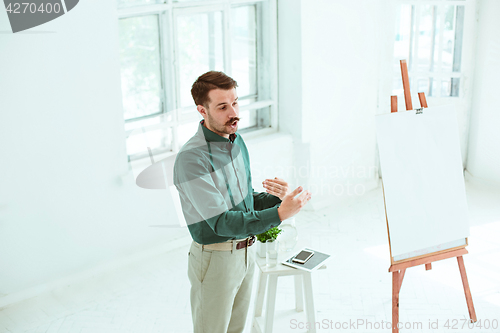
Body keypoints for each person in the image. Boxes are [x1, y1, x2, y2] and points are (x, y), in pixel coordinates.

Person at [173, 71, 311, 333]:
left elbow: (245, 200)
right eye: (223, 106)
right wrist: (280, 214)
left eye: (235, 102)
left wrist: (278, 199)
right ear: (202, 110)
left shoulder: (236, 141)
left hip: (246, 254)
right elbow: (222, 222)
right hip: (216, 259)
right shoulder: (192, 159)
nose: (233, 112)